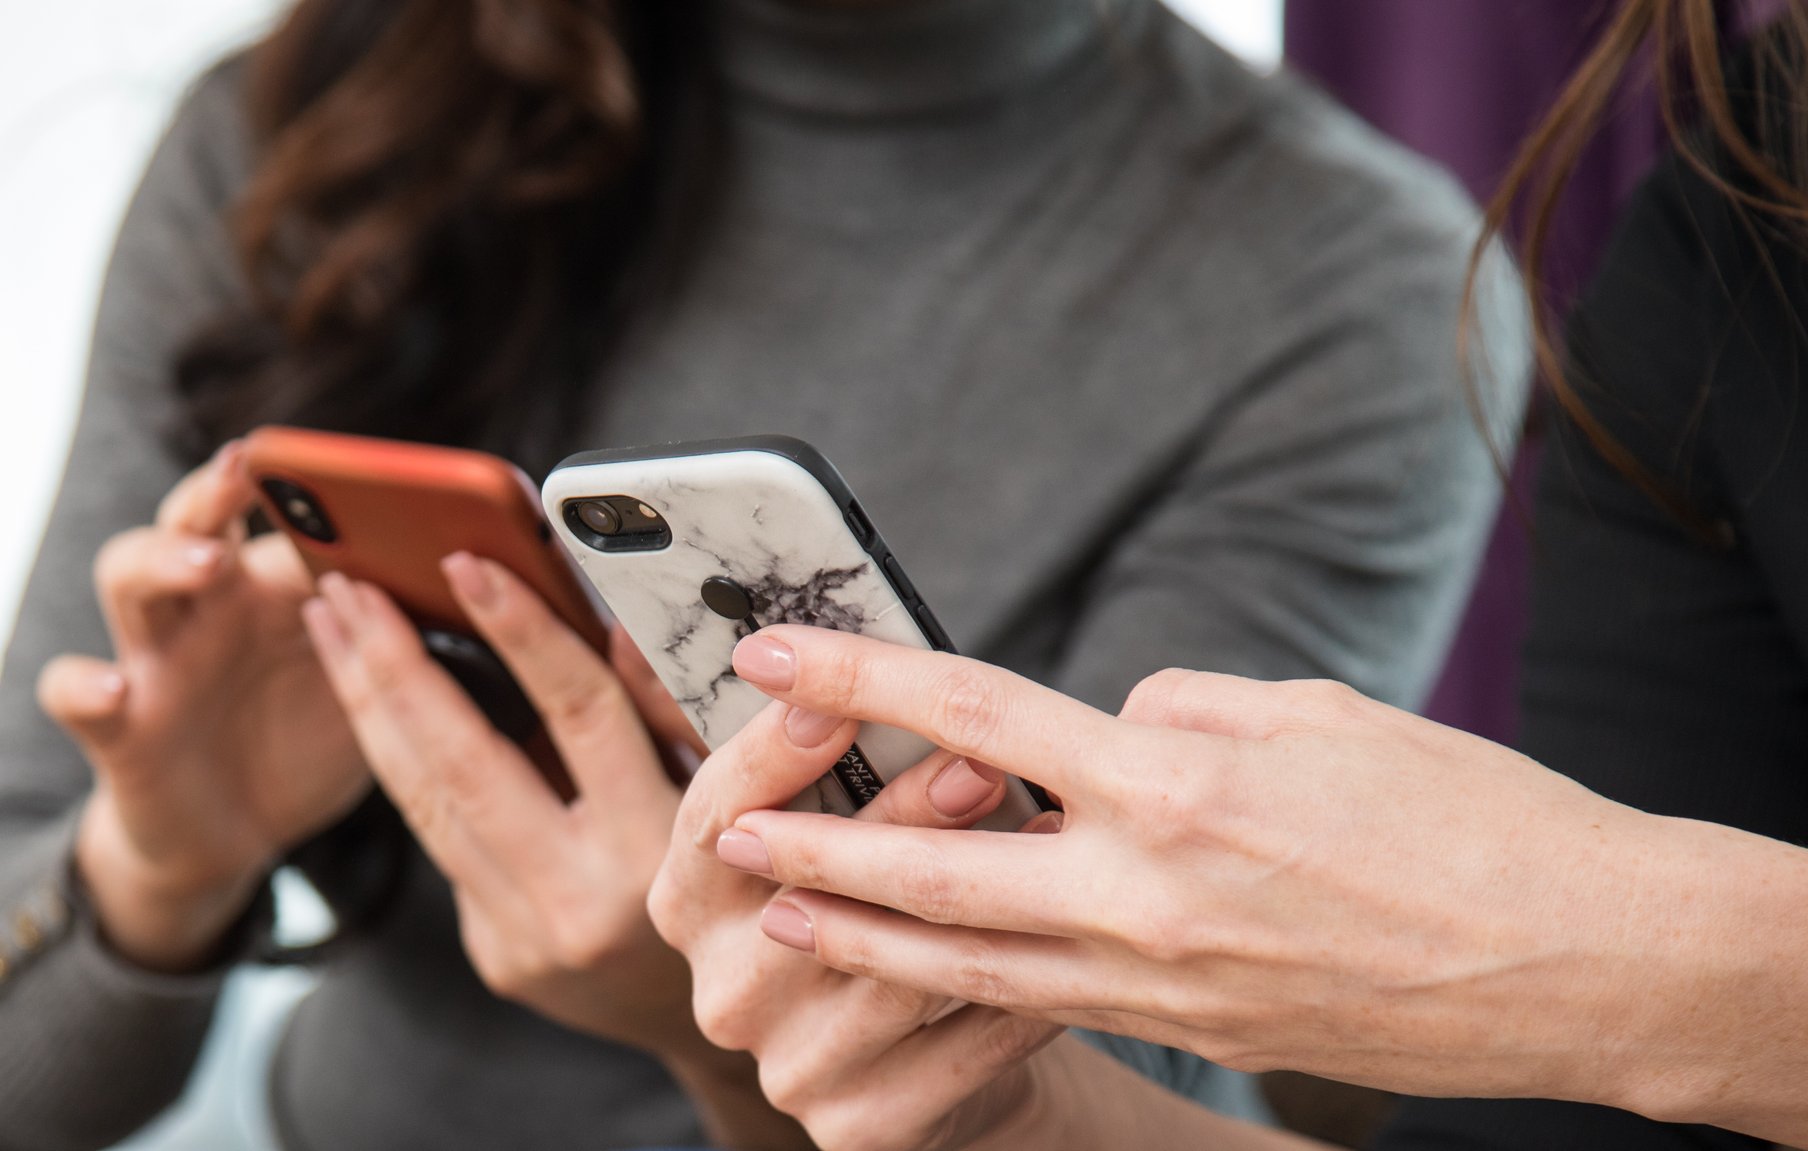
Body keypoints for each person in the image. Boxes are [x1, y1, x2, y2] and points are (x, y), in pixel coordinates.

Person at [0, 0, 1524, 1149]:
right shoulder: (318, 125)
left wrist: (712, 1019)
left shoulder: (1361, 296)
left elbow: (1140, 1096)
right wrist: (153, 872)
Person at [666, 1, 1808, 1149]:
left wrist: (1640, 965)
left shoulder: (1348, 271)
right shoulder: (1763, 224)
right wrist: (1022, 1117)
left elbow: (1629, 987)